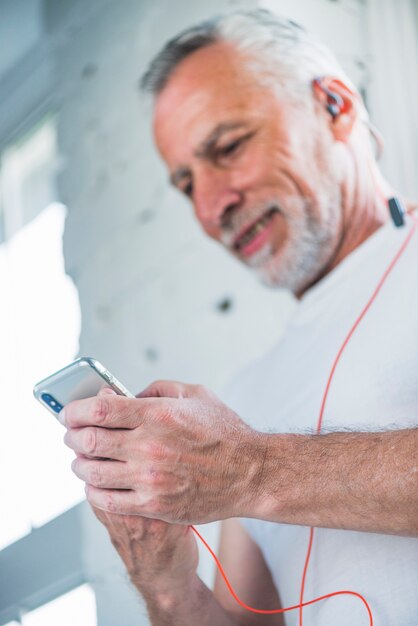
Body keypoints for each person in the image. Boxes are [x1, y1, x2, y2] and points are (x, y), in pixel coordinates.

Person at [60, 10, 418, 626]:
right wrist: (165, 581)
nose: (210, 207)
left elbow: (248, 467)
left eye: (227, 147)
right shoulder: (246, 397)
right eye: (185, 184)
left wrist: (249, 470)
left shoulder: (239, 443)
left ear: (334, 105)